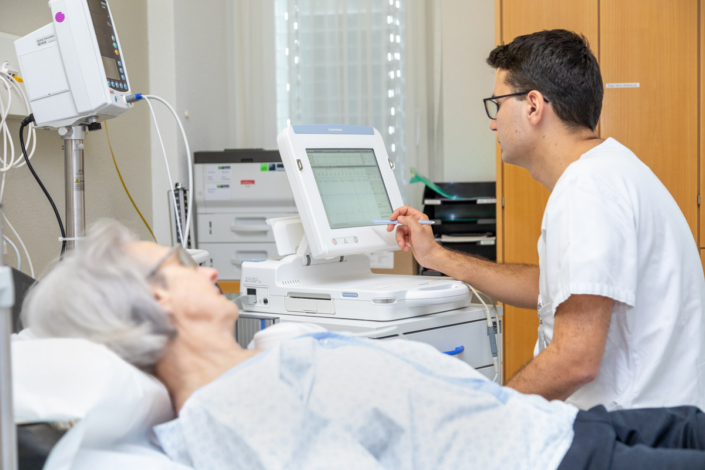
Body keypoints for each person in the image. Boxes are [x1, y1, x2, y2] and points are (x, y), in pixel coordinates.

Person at [19, 219, 705, 469]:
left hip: (561, 430)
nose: (203, 268)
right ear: (155, 299)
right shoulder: (232, 410)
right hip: (553, 460)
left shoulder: (269, 354)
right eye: (177, 262)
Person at [389, 29, 705, 410]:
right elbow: (557, 288)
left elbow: (576, 359)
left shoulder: (587, 188)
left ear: (534, 106)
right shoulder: (610, 170)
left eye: (497, 104)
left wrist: (493, 414)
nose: (493, 123)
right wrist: (438, 257)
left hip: (629, 434)